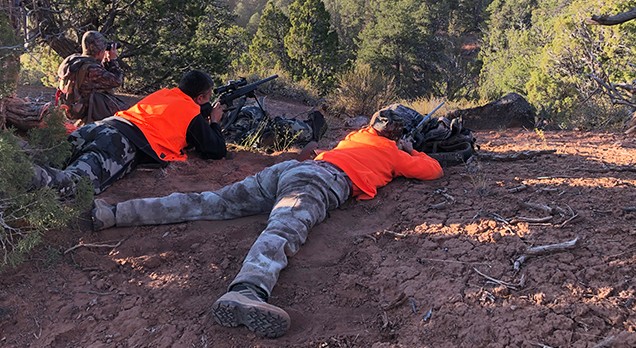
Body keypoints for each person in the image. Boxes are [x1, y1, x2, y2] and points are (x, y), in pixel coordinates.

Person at [90, 106, 444, 338]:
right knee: (283, 229)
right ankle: (247, 291)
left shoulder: (356, 137)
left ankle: (113, 213)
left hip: (291, 169)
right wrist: (412, 152)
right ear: (398, 134)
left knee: (211, 202)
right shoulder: (395, 154)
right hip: (320, 182)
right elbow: (433, 170)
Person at [33, 70, 227, 195]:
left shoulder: (165, 94)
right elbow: (216, 150)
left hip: (98, 127)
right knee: (73, 185)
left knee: (45, 158)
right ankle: (27, 180)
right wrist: (215, 121)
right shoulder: (191, 113)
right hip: (119, 143)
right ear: (201, 97)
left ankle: (12, 170)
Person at [57, 31, 125, 123]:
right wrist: (112, 61)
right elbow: (116, 81)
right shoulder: (91, 69)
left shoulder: (75, 62)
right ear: (99, 52)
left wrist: (104, 60)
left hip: (77, 107)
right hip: (91, 113)